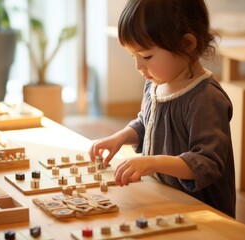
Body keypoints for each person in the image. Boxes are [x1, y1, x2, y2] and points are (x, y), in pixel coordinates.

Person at [89, 0, 236, 218]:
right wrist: (121, 137)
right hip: (165, 199)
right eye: (133, 56)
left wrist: (153, 163)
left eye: (146, 56)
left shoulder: (205, 98)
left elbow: (207, 163)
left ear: (187, 44)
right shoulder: (155, 83)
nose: (138, 67)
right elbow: (147, 123)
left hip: (202, 212)